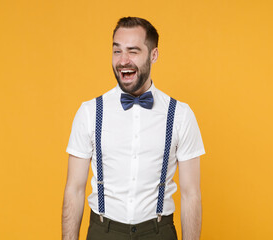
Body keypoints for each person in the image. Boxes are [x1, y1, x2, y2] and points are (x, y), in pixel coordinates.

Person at [62, 17, 205, 240]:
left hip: (158, 232)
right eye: (117, 51)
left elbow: (191, 194)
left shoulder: (180, 114)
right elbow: (74, 189)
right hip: (103, 232)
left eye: (133, 51)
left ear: (154, 55)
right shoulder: (90, 112)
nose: (123, 60)